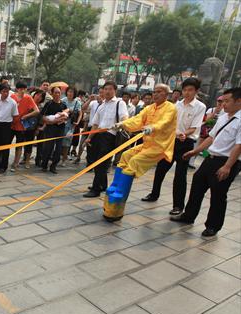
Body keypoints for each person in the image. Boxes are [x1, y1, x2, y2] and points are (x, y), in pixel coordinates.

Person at [171, 87, 241, 237]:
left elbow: (239, 145)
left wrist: (228, 166)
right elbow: (211, 137)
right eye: (223, 101)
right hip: (210, 158)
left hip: (226, 161)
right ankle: (188, 216)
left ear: (239, 101)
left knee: (218, 195)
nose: (224, 104)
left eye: (227, 101)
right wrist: (195, 151)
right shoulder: (223, 117)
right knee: (197, 186)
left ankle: (213, 226)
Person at [103, 84, 177, 221]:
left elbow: (164, 122)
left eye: (159, 92)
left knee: (134, 162)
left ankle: (119, 197)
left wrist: (152, 127)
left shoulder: (170, 108)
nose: (155, 94)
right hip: (147, 144)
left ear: (167, 95)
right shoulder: (149, 108)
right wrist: (122, 124)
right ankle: (115, 187)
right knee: (125, 156)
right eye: (154, 92)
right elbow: (137, 120)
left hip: (160, 146)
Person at [141, 78, 205, 216]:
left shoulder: (200, 107)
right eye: (185, 90)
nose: (187, 93)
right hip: (170, 141)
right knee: (161, 169)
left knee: (180, 175)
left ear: (196, 91)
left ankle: (178, 205)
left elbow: (194, 127)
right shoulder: (176, 105)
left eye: (190, 90)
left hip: (186, 143)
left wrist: (184, 134)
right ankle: (154, 194)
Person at [83, 81, 128, 197]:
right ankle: (102, 185)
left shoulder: (120, 103)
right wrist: (89, 138)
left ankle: (96, 189)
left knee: (101, 163)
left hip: (110, 136)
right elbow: (95, 124)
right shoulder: (102, 105)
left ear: (115, 91)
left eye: (110, 89)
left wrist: (121, 123)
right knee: (96, 161)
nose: (107, 91)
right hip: (98, 136)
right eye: (105, 89)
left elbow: (124, 117)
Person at [0, 83, 19, 174]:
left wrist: (10, 124)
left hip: (7, 125)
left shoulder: (12, 103)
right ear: (0, 91)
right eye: (4, 91)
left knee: (5, 146)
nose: (6, 93)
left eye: (7, 91)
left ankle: (3, 166)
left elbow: (15, 116)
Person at [9, 81, 39, 171]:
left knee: (19, 145)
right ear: (17, 89)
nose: (22, 91)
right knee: (7, 143)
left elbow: (36, 110)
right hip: (11, 124)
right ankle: (3, 161)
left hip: (21, 126)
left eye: (24, 89)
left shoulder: (28, 98)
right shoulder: (12, 97)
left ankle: (15, 163)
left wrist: (26, 116)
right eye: (20, 89)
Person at [39, 87, 69, 174]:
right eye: (55, 92)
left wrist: (63, 118)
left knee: (58, 148)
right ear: (52, 94)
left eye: (59, 93)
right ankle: (44, 164)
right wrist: (51, 121)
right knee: (48, 147)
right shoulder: (49, 104)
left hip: (60, 129)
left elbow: (66, 115)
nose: (57, 94)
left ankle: (54, 166)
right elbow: (42, 116)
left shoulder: (63, 105)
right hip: (50, 129)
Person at [78, 88, 104, 164]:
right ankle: (89, 162)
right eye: (99, 92)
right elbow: (83, 108)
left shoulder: (106, 104)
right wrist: (89, 100)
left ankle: (94, 163)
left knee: (97, 147)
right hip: (91, 127)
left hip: (100, 129)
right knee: (89, 146)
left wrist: (102, 102)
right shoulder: (94, 103)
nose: (101, 94)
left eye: (102, 93)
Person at [61, 86, 83, 166]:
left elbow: (80, 113)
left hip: (70, 125)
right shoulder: (63, 100)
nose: (70, 93)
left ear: (74, 94)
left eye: (72, 92)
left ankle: (64, 159)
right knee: (59, 141)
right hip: (61, 124)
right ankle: (58, 157)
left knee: (67, 143)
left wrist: (77, 122)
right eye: (69, 91)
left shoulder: (77, 102)